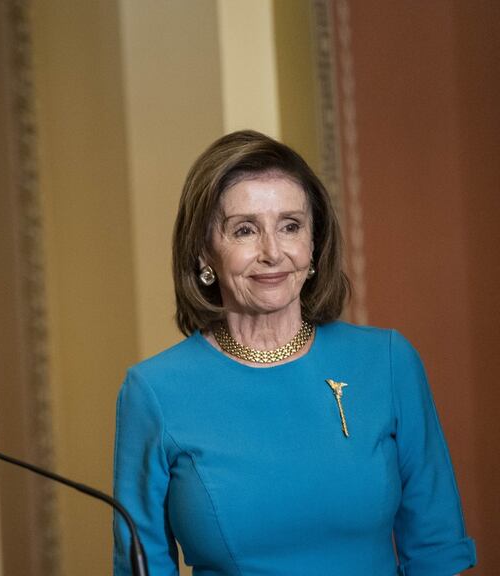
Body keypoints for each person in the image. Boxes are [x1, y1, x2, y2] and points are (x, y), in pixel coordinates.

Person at [113, 130, 476, 575]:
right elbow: (141, 567)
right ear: (204, 252)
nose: (273, 253)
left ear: (314, 244)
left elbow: (436, 551)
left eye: (290, 226)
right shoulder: (154, 392)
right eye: (245, 229)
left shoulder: (388, 362)